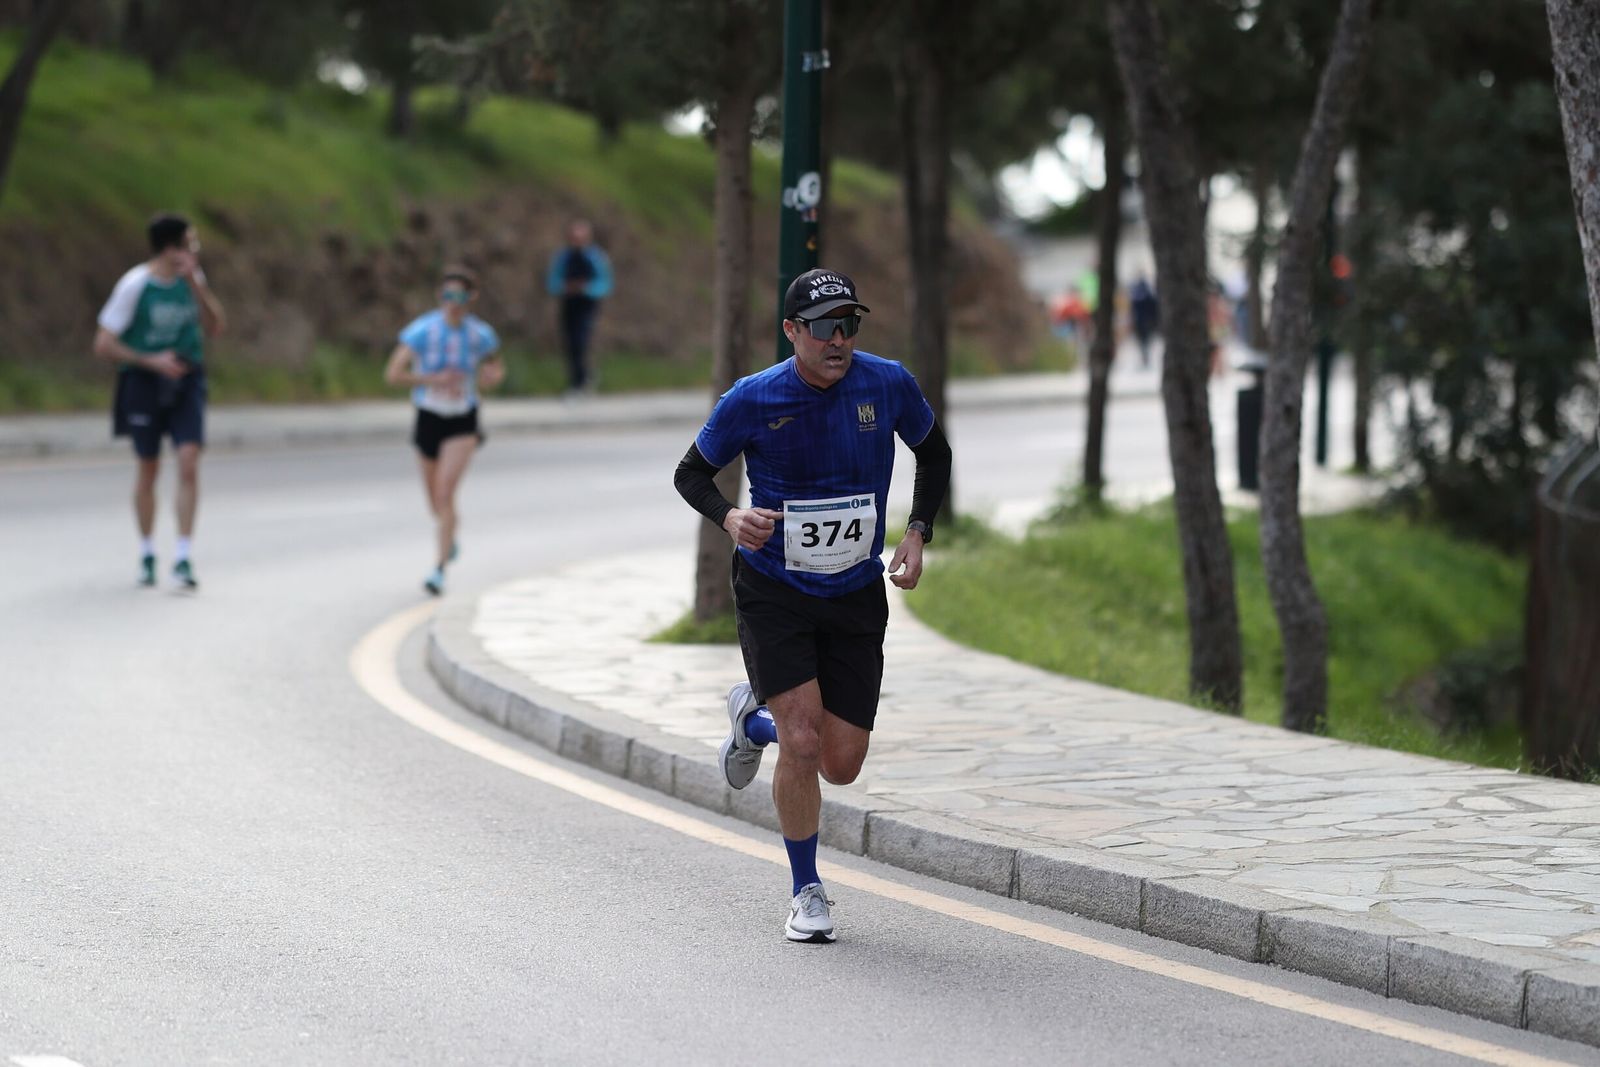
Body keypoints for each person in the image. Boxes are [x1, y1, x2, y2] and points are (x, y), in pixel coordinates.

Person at [673, 269, 952, 943]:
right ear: (792, 331)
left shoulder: (886, 382)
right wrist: (731, 517)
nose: (839, 339)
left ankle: (752, 720)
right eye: (824, 326)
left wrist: (918, 530)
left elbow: (933, 450)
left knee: (841, 760)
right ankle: (806, 890)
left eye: (849, 324)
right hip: (776, 591)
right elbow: (691, 473)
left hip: (855, 590)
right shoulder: (754, 397)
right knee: (803, 739)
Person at [94, 212, 226, 590]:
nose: (196, 249)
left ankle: (183, 555)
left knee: (188, 461)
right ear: (172, 248)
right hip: (144, 381)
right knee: (148, 466)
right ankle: (147, 551)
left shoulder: (192, 280)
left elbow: (216, 326)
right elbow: (103, 343)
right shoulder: (135, 285)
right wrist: (149, 359)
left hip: (186, 378)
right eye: (191, 242)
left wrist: (196, 286)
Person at [384, 266, 504, 596]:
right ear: (440, 297)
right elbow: (393, 374)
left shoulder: (480, 335)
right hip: (429, 415)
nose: (453, 302)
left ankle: (438, 568)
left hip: (463, 418)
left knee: (445, 493)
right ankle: (449, 538)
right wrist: (430, 380)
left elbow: (495, 366)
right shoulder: (423, 331)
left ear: (471, 298)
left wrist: (491, 377)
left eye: (460, 296)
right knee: (434, 503)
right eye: (447, 295)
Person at [544, 219, 612, 395]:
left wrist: (585, 288)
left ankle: (585, 379)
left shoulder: (595, 257)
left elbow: (604, 283)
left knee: (582, 341)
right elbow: (553, 281)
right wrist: (566, 287)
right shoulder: (564, 257)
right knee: (570, 342)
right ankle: (575, 381)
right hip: (569, 303)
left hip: (587, 305)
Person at [1129, 275, 1160, 369]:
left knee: (1143, 341)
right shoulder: (1149, 295)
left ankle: (1144, 357)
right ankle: (1145, 358)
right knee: (1146, 340)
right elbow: (1154, 308)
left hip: (1140, 321)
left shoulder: (1136, 296)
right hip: (1147, 321)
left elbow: (1133, 309)